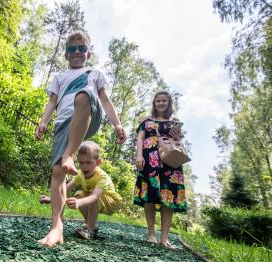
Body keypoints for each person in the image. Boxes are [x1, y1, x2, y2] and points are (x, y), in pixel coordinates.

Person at [35, 31, 126, 247]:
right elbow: (52, 102)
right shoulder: (59, 77)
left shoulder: (94, 73)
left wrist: (117, 124)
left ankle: (70, 155)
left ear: (89, 53)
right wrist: (43, 121)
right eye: (72, 49)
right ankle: (57, 227)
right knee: (57, 172)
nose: (77, 52)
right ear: (66, 55)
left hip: (88, 115)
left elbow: (104, 99)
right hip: (63, 124)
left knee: (84, 95)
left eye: (82, 48)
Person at [134, 90, 187, 249]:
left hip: (171, 163)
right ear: (154, 103)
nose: (161, 103)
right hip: (149, 160)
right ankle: (151, 234)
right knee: (149, 195)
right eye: (158, 101)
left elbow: (178, 141)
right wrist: (139, 156)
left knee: (168, 198)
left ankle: (164, 238)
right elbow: (140, 138)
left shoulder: (175, 121)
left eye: (164, 101)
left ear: (169, 103)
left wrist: (178, 135)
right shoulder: (146, 120)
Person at [39, 141, 122, 240]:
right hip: (94, 198)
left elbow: (94, 196)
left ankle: (90, 230)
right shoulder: (81, 174)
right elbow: (65, 188)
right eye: (81, 162)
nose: (84, 166)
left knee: (89, 196)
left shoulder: (101, 177)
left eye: (88, 162)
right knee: (78, 194)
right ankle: (90, 226)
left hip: (111, 202)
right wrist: (50, 199)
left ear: (98, 162)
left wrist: (79, 202)